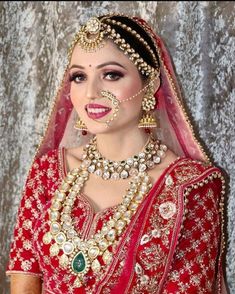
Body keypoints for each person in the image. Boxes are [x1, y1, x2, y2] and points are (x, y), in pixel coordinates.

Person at [6, 13, 227, 293]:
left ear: (150, 84)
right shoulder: (47, 173)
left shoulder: (190, 186)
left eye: (111, 75)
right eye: (79, 77)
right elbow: (25, 280)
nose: (90, 93)